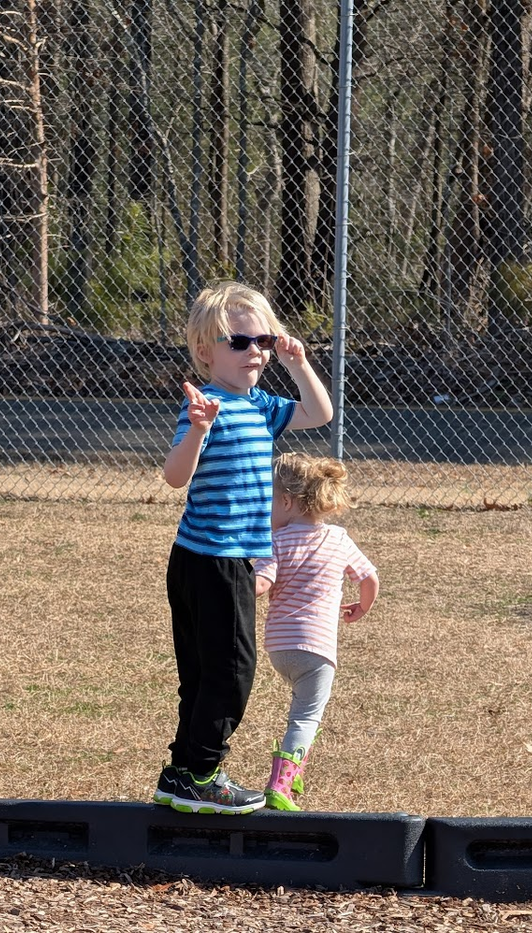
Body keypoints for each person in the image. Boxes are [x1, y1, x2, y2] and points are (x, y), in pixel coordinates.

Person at [155, 281, 333, 815]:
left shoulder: (260, 405)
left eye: (264, 340)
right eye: (240, 342)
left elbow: (319, 413)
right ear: (206, 351)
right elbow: (173, 477)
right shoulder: (208, 408)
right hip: (211, 560)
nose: (255, 350)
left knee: (210, 672)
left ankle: (183, 773)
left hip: (219, 560)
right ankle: (203, 773)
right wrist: (197, 430)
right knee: (230, 672)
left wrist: (299, 363)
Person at [254, 452, 379, 811]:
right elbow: (368, 578)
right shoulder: (338, 539)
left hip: (279, 648)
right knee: (306, 716)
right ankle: (281, 783)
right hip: (318, 649)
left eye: (268, 501)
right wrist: (362, 606)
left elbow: (262, 582)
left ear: (287, 502)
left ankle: (296, 768)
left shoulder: (273, 542)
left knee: (302, 707)